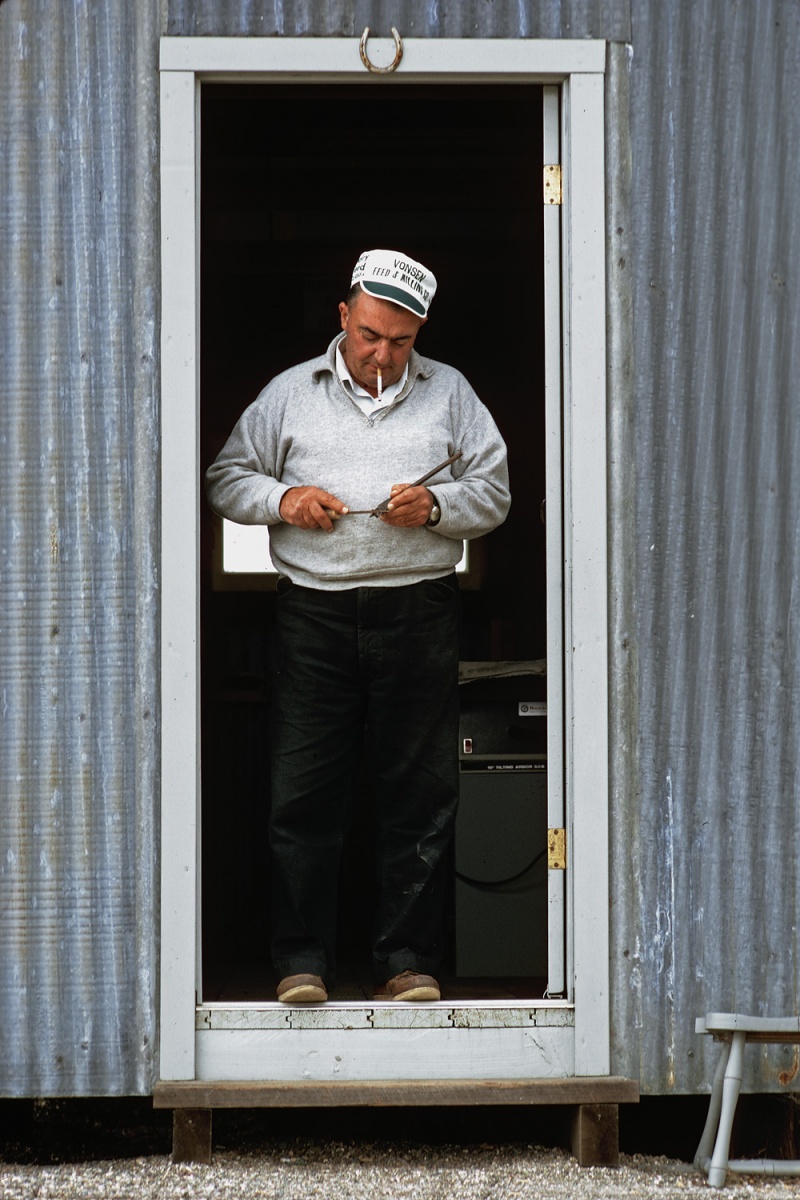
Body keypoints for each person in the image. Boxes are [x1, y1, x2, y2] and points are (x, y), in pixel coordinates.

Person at [205, 249, 510, 1004]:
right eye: (371, 334)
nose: (382, 354)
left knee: (419, 792)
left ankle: (407, 962)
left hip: (420, 610)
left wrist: (438, 508)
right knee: (304, 791)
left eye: (401, 341)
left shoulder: (453, 395)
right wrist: (284, 501)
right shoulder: (288, 395)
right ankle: (301, 961)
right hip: (314, 610)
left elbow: (495, 491)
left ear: (421, 334)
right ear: (343, 317)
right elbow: (225, 478)